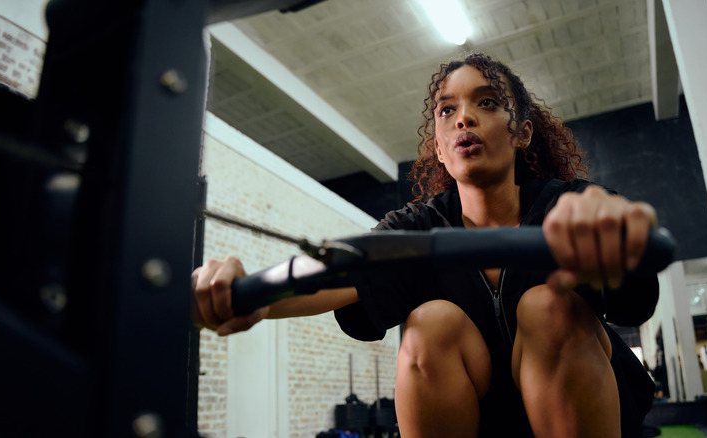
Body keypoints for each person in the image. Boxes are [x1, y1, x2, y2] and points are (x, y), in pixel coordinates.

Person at [192, 53, 659, 438]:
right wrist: (248, 295)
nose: (464, 118)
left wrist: (614, 233)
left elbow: (632, 281)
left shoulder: (568, 206)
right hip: (475, 420)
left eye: (488, 102)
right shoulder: (418, 227)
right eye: (446, 110)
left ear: (522, 133)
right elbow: (338, 272)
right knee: (429, 324)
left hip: (581, 415)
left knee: (548, 307)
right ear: (438, 146)